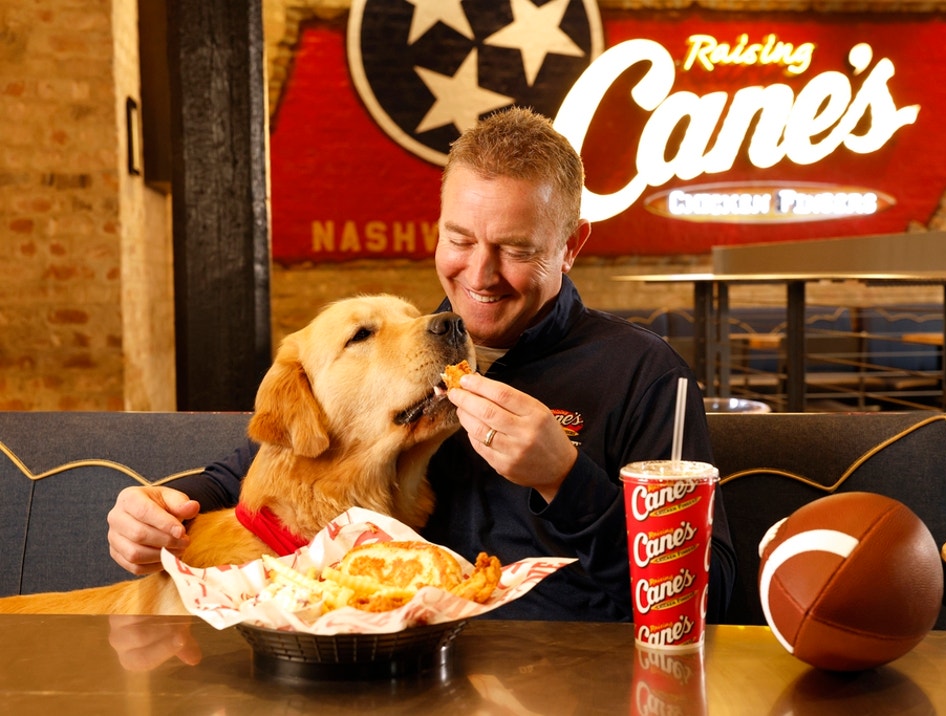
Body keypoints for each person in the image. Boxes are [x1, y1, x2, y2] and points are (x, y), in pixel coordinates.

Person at [107, 107, 736, 622]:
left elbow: (714, 594)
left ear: (570, 245)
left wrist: (564, 480)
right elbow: (270, 466)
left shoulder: (643, 374)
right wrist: (166, 509)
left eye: (515, 249)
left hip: (568, 677)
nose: (480, 275)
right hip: (399, 670)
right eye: (460, 240)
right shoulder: (403, 355)